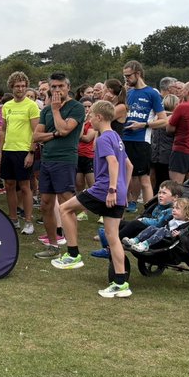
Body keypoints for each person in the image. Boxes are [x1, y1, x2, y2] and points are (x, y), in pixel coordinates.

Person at [53, 100, 132, 298]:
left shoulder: (104, 138)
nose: (88, 120)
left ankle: (72, 255)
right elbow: (128, 166)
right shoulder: (117, 137)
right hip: (117, 192)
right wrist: (123, 190)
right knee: (113, 238)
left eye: (90, 117)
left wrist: (112, 189)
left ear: (98, 117)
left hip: (103, 190)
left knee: (64, 209)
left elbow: (113, 163)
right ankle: (121, 283)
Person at [33, 72, 85, 257]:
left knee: (66, 204)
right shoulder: (45, 110)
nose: (56, 90)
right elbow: (36, 136)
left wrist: (56, 110)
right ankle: (53, 246)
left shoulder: (76, 108)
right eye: (53, 86)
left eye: (60, 86)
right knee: (46, 204)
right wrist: (54, 134)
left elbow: (65, 129)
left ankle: (72, 250)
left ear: (68, 87)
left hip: (65, 160)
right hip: (47, 160)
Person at [121, 60, 167, 208]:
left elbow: (164, 120)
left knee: (144, 180)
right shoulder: (128, 92)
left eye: (128, 76)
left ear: (138, 74)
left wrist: (144, 125)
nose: (126, 79)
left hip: (141, 141)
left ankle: (150, 211)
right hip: (124, 139)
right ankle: (123, 207)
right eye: (124, 76)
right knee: (123, 177)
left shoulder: (152, 93)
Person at [0, 72, 41, 235]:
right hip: (8, 150)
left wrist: (31, 152)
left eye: (23, 86)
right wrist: (0, 151)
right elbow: (3, 130)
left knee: (25, 186)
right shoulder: (7, 106)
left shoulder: (31, 105)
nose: (21, 89)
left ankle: (28, 221)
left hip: (23, 150)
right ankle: (13, 219)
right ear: (12, 87)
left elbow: (36, 131)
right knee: (9, 185)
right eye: (17, 86)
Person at [125, 197, 189, 252]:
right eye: (173, 208)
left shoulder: (186, 224)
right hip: (163, 235)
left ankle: (145, 245)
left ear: (187, 212)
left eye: (177, 208)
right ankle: (135, 240)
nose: (173, 210)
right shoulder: (172, 219)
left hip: (173, 240)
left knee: (163, 230)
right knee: (152, 227)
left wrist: (179, 234)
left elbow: (186, 234)